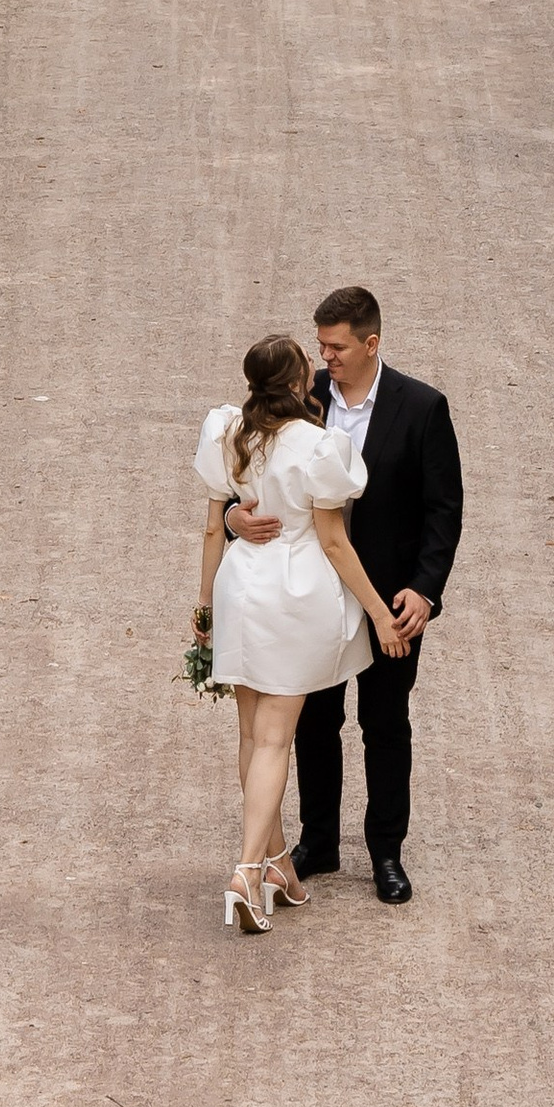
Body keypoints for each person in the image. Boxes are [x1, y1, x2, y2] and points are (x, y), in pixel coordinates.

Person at [218, 286, 462, 904]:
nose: (324, 356)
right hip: (308, 601)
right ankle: (317, 840)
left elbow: (443, 513)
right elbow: (243, 481)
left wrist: (424, 592)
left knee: (385, 723)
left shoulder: (423, 408)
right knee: (313, 725)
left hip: (389, 598)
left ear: (371, 343)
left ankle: (385, 852)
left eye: (336, 346)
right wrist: (233, 523)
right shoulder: (298, 399)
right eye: (320, 345)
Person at [194, 336, 412, 933]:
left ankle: (279, 862)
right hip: (295, 596)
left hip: (242, 588)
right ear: (297, 384)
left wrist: (205, 603)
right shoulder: (319, 446)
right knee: (273, 742)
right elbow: (335, 541)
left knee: (251, 736)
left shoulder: (228, 432)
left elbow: (215, 530)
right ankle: (247, 871)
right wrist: (376, 612)